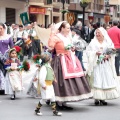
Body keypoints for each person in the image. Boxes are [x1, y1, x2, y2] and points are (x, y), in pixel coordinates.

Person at [48, 21, 92, 110]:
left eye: (69, 28)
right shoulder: (56, 37)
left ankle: (64, 101)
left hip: (70, 59)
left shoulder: (68, 37)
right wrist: (52, 34)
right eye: (67, 28)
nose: (69, 30)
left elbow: (70, 46)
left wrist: (72, 48)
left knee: (69, 81)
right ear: (62, 28)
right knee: (60, 80)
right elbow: (50, 48)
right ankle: (58, 101)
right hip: (60, 60)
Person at [86, 27, 120, 105]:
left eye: (99, 33)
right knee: (97, 79)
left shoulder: (108, 42)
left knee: (105, 79)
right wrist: (95, 53)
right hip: (97, 64)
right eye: (96, 33)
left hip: (105, 64)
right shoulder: (93, 42)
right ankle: (97, 98)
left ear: (103, 34)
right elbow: (88, 52)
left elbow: (112, 51)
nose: (97, 34)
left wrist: (108, 56)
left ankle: (103, 98)